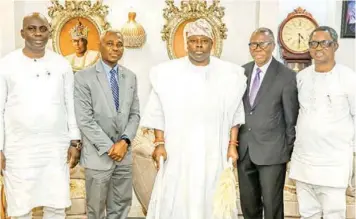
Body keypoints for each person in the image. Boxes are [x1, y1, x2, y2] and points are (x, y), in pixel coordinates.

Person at [141, 18, 247, 219]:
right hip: (178, 149)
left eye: (204, 40)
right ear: (186, 43)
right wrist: (160, 143)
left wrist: (232, 145)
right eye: (194, 40)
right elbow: (157, 112)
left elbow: (235, 113)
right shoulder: (166, 73)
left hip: (213, 149)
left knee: (211, 193)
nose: (199, 45)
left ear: (212, 44)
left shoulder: (229, 74)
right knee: (178, 193)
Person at [0, 12, 81, 219]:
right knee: (20, 207)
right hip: (18, 149)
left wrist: (75, 141)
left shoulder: (61, 64)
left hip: (55, 147)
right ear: (22, 33)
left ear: (49, 32)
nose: (38, 33)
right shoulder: (6, 64)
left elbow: (70, 104)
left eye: (43, 29)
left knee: (56, 205)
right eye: (32, 28)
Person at [289, 26, 356, 219]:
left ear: (335, 46)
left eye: (324, 43)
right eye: (313, 43)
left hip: (334, 163)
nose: (318, 47)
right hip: (304, 160)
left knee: (334, 214)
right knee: (307, 213)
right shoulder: (301, 78)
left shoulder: (349, 78)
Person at [74, 29, 140, 219]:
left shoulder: (130, 77)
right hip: (98, 155)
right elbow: (84, 119)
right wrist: (111, 147)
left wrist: (124, 142)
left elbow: (134, 114)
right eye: (110, 44)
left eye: (119, 45)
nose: (115, 48)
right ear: (99, 46)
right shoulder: (83, 77)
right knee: (95, 211)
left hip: (124, 155)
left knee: (121, 208)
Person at [237, 27, 299, 219]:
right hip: (245, 150)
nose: (257, 48)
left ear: (272, 46)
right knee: (249, 205)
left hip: (273, 153)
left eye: (262, 44)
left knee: (272, 207)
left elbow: (291, 119)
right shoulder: (241, 72)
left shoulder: (287, 76)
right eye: (253, 44)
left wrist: (286, 152)